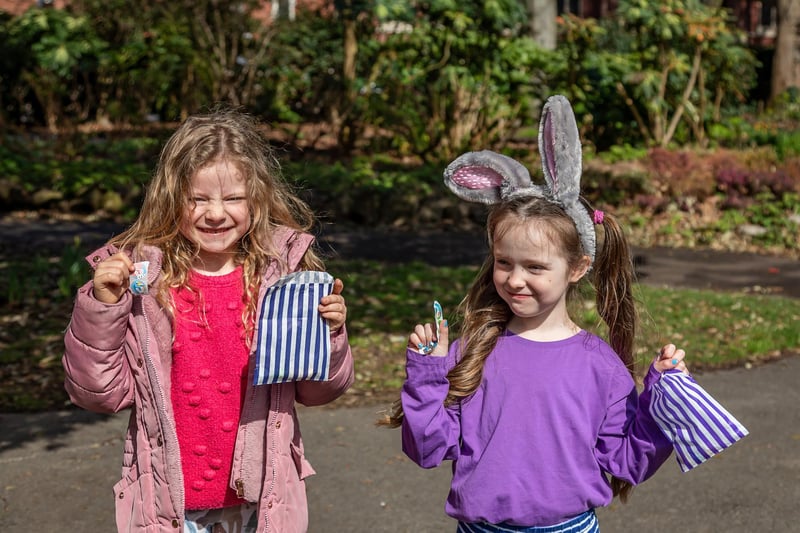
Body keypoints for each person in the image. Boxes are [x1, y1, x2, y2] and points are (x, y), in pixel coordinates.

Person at [380, 95, 688, 532]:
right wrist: (428, 375)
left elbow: (628, 460)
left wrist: (660, 403)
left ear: (578, 267)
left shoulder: (598, 364)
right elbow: (427, 449)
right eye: (504, 262)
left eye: (536, 267)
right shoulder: (473, 351)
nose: (514, 280)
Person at [62, 107, 354, 533]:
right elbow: (99, 394)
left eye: (233, 198)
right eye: (198, 198)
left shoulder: (283, 276)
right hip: (170, 510)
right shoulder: (144, 280)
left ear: (257, 198)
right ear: (170, 197)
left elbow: (318, 390)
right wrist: (103, 307)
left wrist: (329, 334)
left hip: (261, 504)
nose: (215, 213)